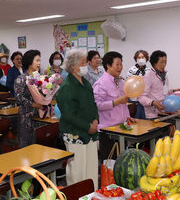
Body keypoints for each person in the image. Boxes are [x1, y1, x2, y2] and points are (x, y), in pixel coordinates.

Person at [56, 49, 100, 188]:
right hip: (75, 133)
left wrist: (95, 120)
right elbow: (68, 115)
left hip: (90, 133)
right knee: (77, 171)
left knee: (91, 168)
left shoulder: (85, 83)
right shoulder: (67, 87)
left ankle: (91, 196)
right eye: (83, 62)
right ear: (73, 67)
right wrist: (88, 127)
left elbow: (93, 104)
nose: (86, 65)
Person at [93, 51, 136, 158]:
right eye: (117, 64)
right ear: (108, 65)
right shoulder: (101, 83)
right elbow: (97, 105)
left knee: (122, 162)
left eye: (121, 64)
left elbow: (124, 104)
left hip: (121, 128)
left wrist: (127, 117)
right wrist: (116, 102)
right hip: (108, 130)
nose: (120, 67)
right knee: (110, 164)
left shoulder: (121, 82)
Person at [14, 50, 44, 147]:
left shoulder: (40, 78)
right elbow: (19, 98)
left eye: (40, 60)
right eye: (37, 61)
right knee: (26, 146)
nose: (39, 63)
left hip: (38, 114)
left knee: (39, 145)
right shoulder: (21, 78)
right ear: (30, 62)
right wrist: (35, 104)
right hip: (26, 116)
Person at [139, 50, 169, 119]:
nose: (164, 64)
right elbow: (141, 97)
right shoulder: (148, 76)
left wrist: (173, 91)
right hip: (152, 116)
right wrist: (153, 102)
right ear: (154, 63)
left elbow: (164, 92)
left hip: (164, 113)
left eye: (165, 62)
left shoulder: (164, 75)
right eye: (161, 62)